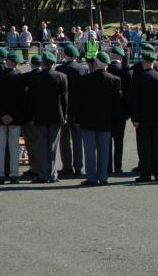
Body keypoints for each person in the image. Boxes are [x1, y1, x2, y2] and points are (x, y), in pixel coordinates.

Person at [73, 52, 121, 186]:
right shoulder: (115, 80)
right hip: (106, 120)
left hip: (88, 120)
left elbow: (79, 102)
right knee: (104, 150)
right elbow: (117, 104)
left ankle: (92, 177)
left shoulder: (85, 79)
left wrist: (76, 119)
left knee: (89, 151)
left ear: (95, 62)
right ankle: (103, 176)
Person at [26, 51, 68, 183]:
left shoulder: (36, 78)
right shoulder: (62, 76)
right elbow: (64, 100)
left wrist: (32, 115)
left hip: (40, 115)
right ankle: (53, 174)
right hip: (56, 115)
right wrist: (65, 115)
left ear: (43, 63)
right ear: (53, 63)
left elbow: (31, 98)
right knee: (53, 147)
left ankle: (43, 174)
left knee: (41, 146)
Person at [129, 50, 158, 182]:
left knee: (144, 146)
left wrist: (134, 118)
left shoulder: (138, 78)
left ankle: (146, 173)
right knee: (157, 146)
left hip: (143, 117)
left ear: (143, 62)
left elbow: (134, 100)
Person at [0, 51, 26, 184]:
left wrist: (2, 114)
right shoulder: (20, 77)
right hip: (15, 118)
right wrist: (12, 115)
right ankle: (14, 174)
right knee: (14, 147)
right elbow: (22, 100)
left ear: (7, 61)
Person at [56, 44, 88, 176]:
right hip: (78, 108)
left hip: (64, 108)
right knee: (78, 139)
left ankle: (67, 166)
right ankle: (79, 166)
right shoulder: (83, 69)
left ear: (66, 55)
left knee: (64, 139)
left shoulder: (60, 68)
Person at [107, 46, 132, 174]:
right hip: (122, 110)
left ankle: (108, 167)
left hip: (107, 110)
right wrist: (128, 112)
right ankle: (118, 166)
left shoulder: (107, 69)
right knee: (119, 141)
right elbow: (130, 94)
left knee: (107, 140)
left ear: (112, 55)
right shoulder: (127, 71)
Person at [20, 55, 43, 177]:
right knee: (43, 143)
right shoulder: (46, 76)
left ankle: (35, 167)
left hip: (29, 115)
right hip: (44, 115)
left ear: (31, 64)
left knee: (30, 143)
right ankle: (44, 167)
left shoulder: (25, 77)